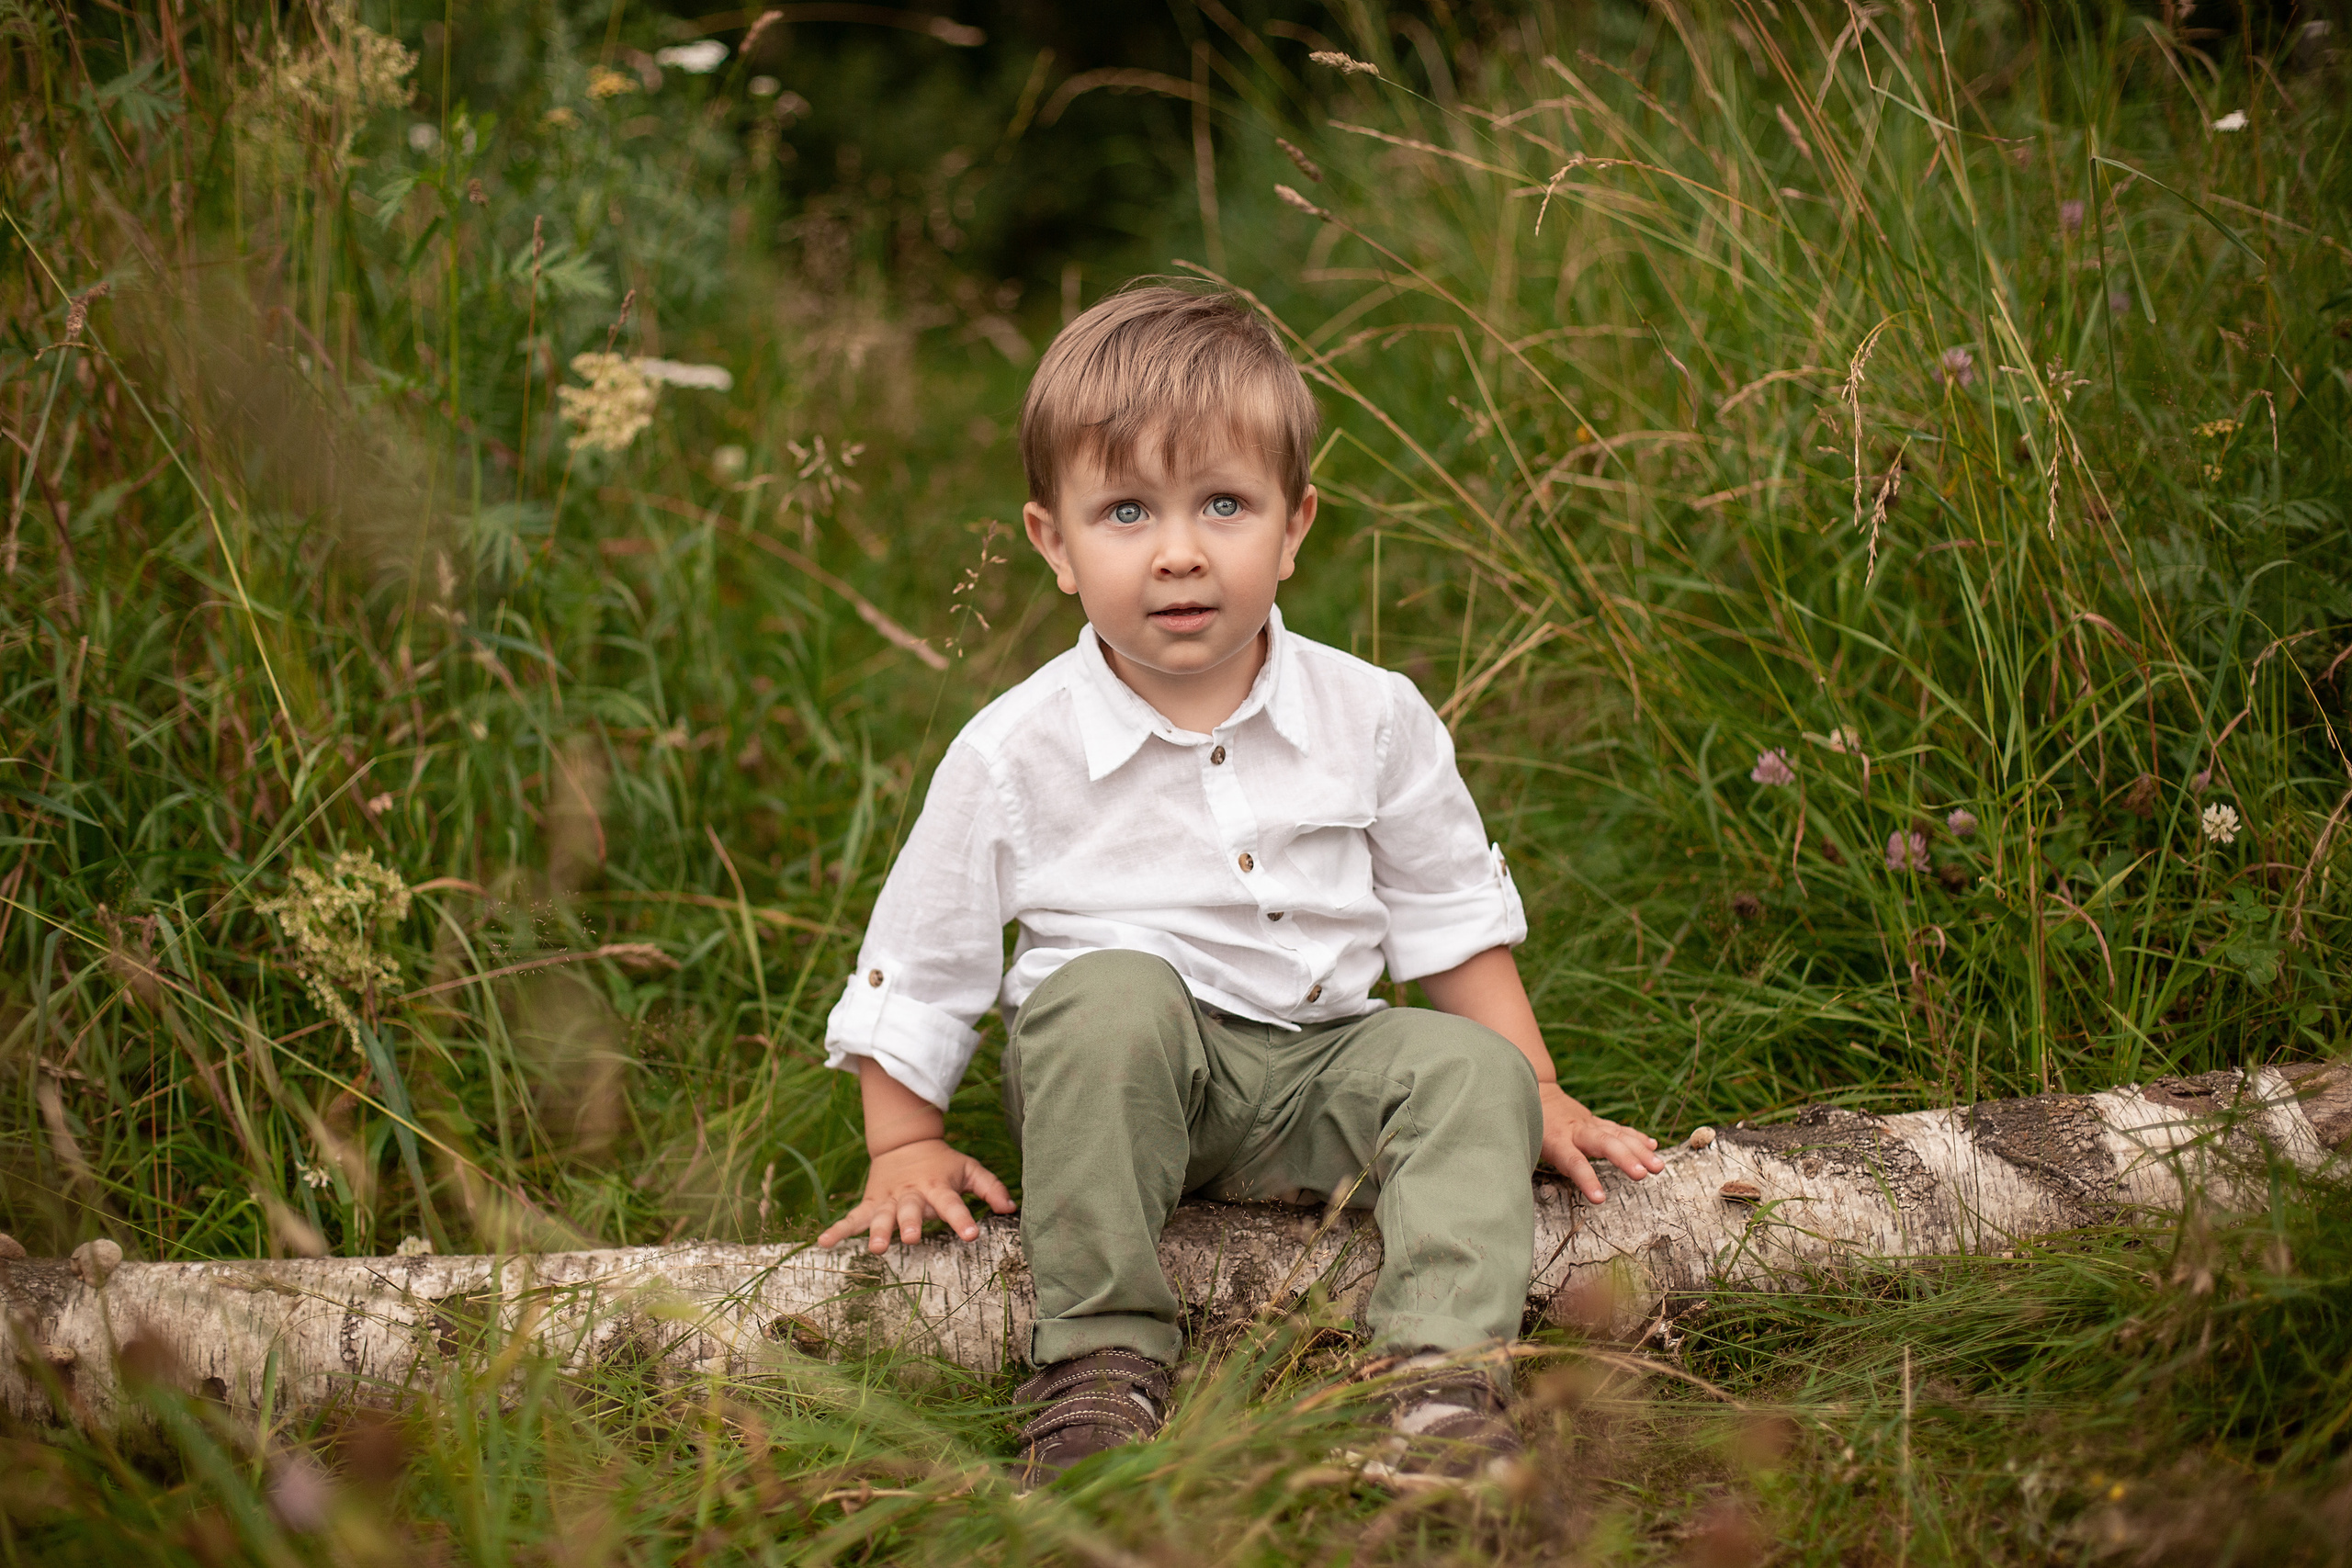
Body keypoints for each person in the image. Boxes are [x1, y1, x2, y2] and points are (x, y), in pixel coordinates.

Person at [816, 283, 1662, 1486]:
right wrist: (902, 1142)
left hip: (1320, 1065)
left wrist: (1534, 1087)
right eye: (1124, 510)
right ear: (1053, 543)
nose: (1179, 551)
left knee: (1470, 1073)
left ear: (1295, 524)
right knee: (1107, 1000)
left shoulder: (1370, 716)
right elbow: (928, 951)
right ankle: (1099, 1364)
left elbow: (1447, 919)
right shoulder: (1015, 749)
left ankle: (1438, 1383)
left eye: (1224, 503)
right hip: (1122, 1076)